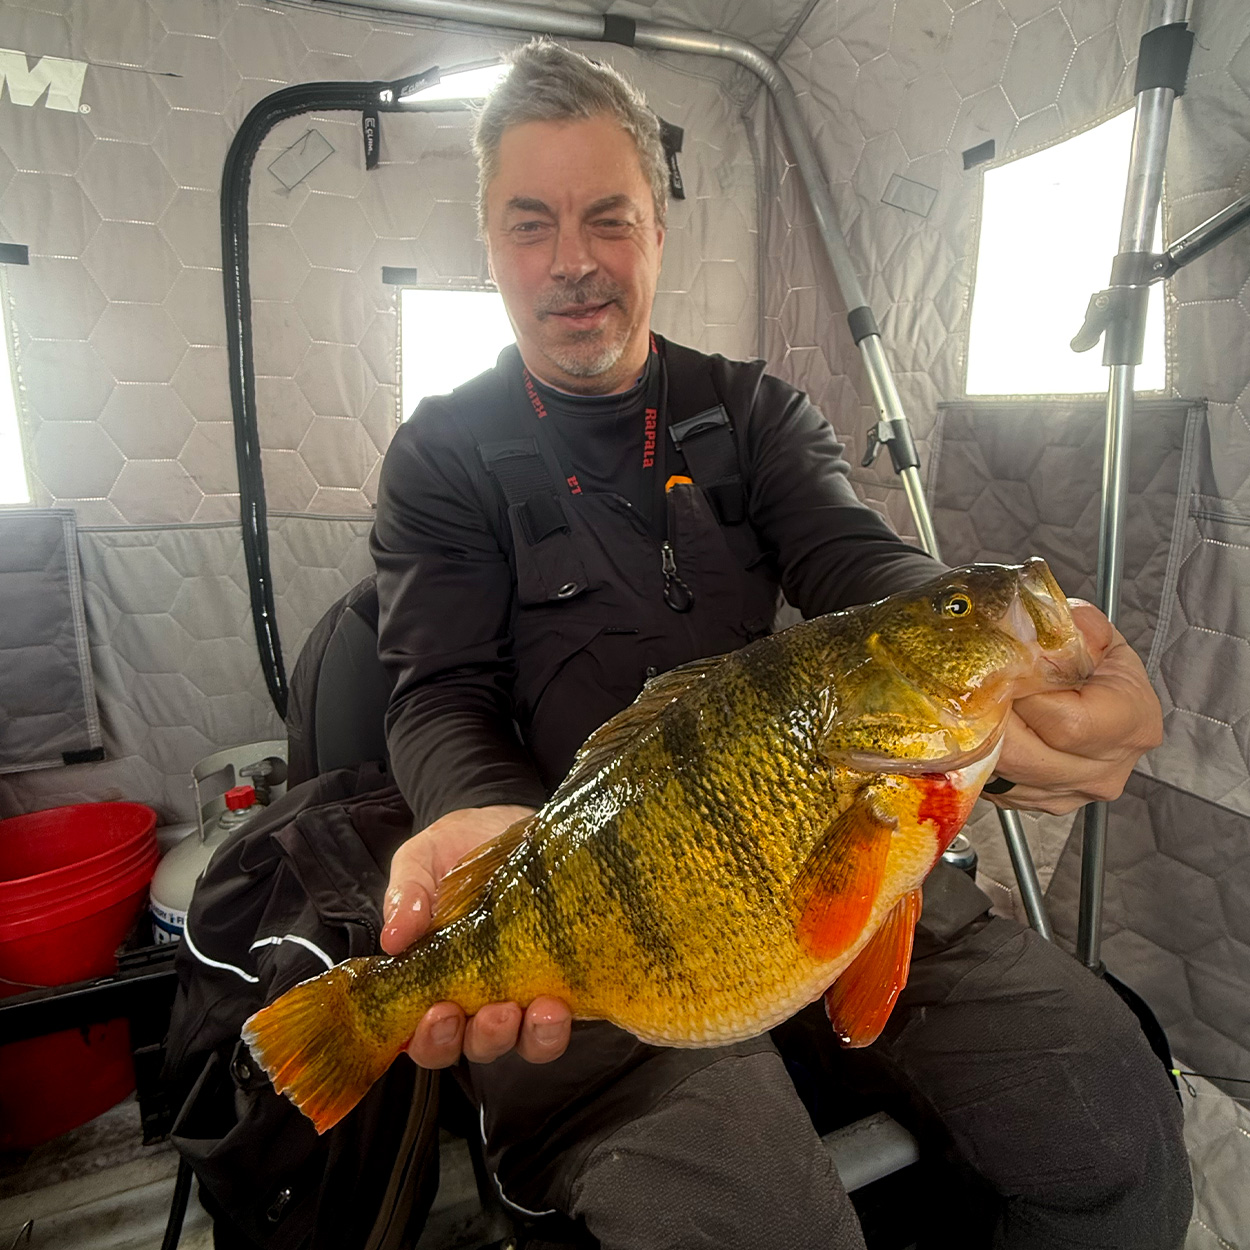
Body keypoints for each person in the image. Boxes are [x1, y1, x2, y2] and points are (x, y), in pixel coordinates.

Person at [370, 40, 1191, 1250]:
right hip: (592, 926)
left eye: (609, 218)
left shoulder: (754, 412)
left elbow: (865, 567)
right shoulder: (440, 454)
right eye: (529, 224)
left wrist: (993, 664)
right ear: (489, 241)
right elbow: (434, 694)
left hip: (827, 841)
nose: (573, 263)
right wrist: (493, 825)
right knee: (747, 1215)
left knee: (1110, 1105)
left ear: (658, 227)